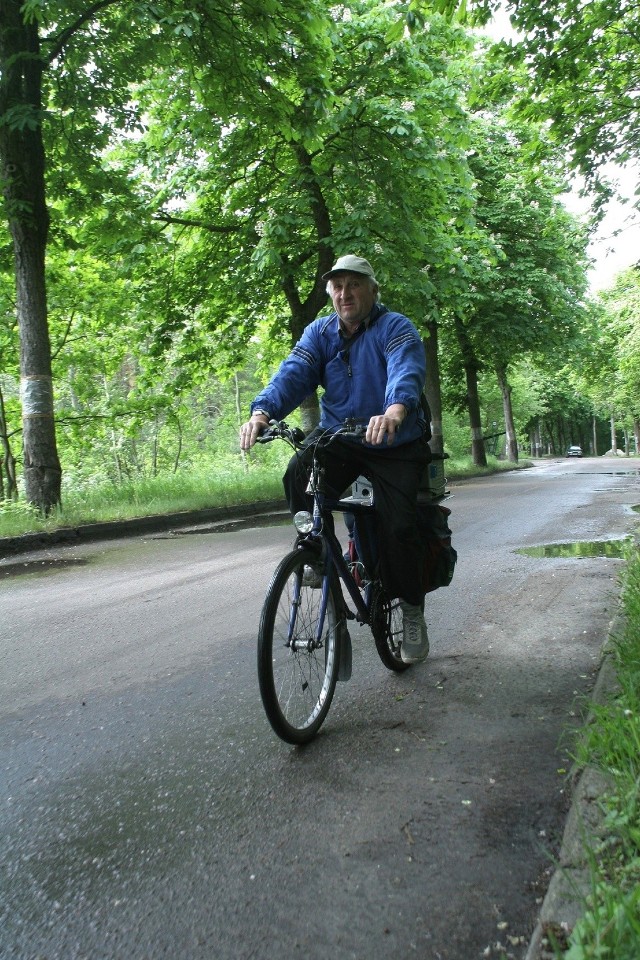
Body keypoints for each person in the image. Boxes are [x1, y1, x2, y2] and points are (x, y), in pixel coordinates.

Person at [240, 254, 432, 664]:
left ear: (373, 290)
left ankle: (411, 607)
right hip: (342, 437)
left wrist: (396, 409)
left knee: (399, 526)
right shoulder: (320, 333)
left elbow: (406, 370)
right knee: (298, 473)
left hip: (393, 442)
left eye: (354, 285)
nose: (345, 293)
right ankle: (320, 556)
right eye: (338, 286)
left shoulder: (395, 327)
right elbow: (293, 373)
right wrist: (262, 412)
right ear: (330, 293)